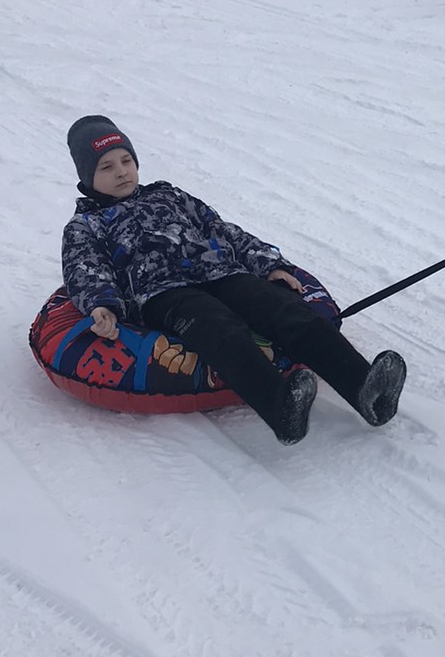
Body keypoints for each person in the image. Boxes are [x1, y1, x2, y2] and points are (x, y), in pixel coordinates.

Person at [61, 116, 407, 444]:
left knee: (284, 310)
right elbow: (85, 269)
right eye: (106, 167)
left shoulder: (169, 194)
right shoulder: (87, 225)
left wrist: (268, 264)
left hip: (221, 271)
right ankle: (279, 407)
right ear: (86, 177)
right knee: (220, 329)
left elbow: (221, 230)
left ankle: (364, 388)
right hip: (164, 293)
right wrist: (101, 305)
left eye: (126, 161)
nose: (121, 172)